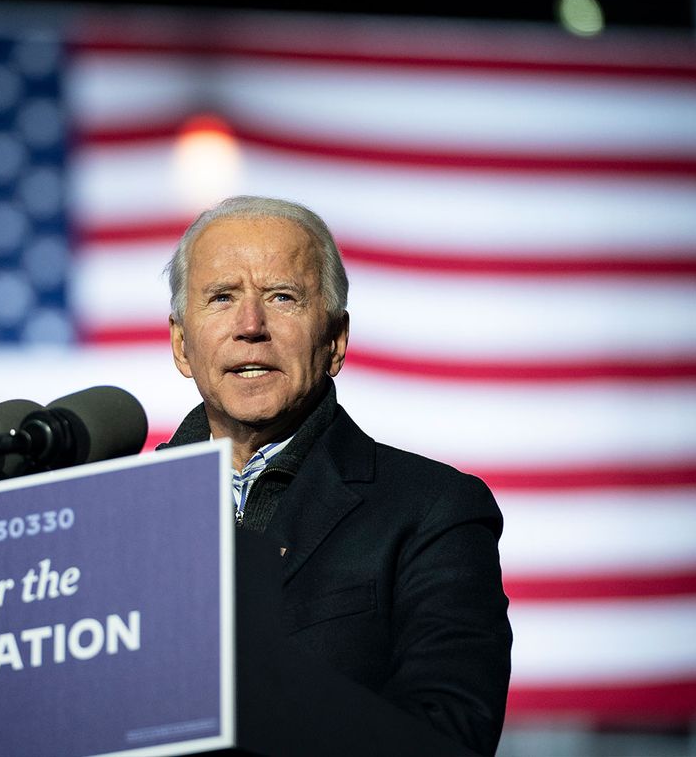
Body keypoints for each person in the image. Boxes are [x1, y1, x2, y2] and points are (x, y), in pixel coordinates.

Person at [157, 196, 512, 756]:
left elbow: (450, 734)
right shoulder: (117, 514)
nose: (251, 326)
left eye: (282, 297)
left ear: (336, 340)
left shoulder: (433, 510)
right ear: (182, 344)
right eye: (222, 297)